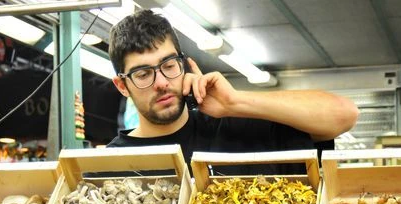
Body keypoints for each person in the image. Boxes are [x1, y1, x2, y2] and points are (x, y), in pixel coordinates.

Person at [106, 10, 359, 173]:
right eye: (143, 74)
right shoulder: (108, 166)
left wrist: (235, 102)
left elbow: (344, 114)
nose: (161, 82)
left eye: (169, 65)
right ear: (122, 86)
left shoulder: (237, 129)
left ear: (185, 65)